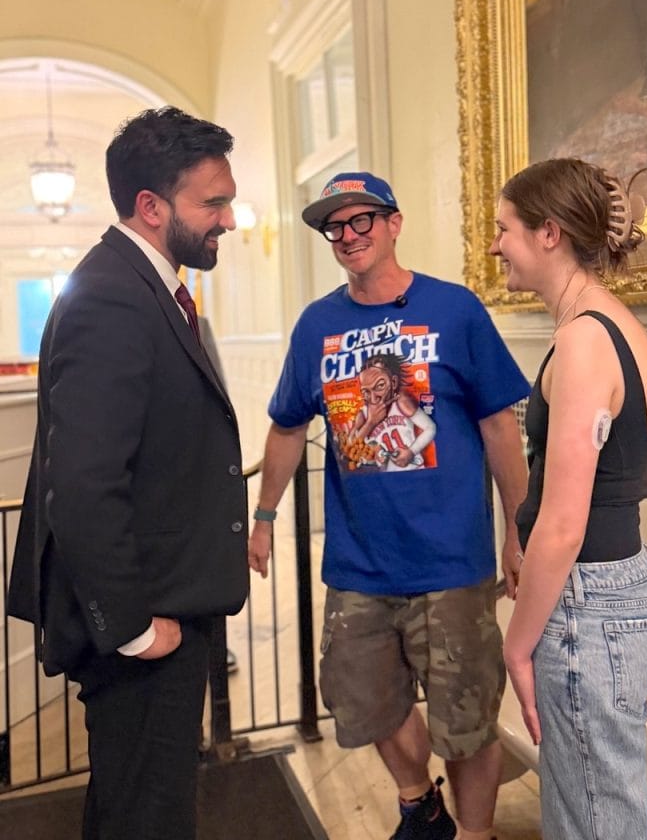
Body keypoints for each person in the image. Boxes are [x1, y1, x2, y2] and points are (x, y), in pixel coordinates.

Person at [249, 171, 530, 840]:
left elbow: (499, 426)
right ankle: (418, 802)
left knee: (465, 720)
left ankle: (476, 832)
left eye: (361, 221)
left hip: (450, 562)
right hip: (359, 564)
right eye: (334, 227)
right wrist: (262, 517)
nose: (346, 236)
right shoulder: (317, 324)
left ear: (394, 223)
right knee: (361, 702)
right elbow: (287, 426)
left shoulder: (455, 310)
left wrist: (520, 532)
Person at [7, 106, 249, 840]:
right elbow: (81, 488)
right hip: (147, 622)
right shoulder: (112, 297)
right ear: (151, 207)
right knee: (149, 818)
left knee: (130, 806)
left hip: (171, 602)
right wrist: (136, 630)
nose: (229, 220)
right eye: (213, 202)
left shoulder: (147, 288)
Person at [490, 157, 647, 840]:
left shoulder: (585, 341)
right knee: (589, 812)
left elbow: (564, 524)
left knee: (598, 822)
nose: (494, 244)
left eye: (504, 227)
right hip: (613, 594)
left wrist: (517, 644)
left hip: (588, 609)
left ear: (549, 233)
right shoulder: (611, 323)